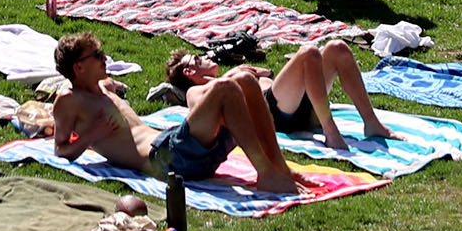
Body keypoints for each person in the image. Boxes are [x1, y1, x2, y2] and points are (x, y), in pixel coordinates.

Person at [48, 33, 305, 196]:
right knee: (225, 88)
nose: (104, 58)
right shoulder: (69, 101)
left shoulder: (103, 86)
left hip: (180, 149)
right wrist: (91, 135)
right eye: (97, 55)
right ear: (78, 67)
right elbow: (61, 150)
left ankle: (279, 167)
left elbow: (111, 84)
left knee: (244, 80)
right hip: (164, 160)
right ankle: (266, 174)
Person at [163, 41, 388, 151]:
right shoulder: (194, 91)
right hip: (274, 113)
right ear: (189, 72)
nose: (205, 57)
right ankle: (331, 133)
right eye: (197, 60)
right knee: (309, 53)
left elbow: (274, 79)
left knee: (338, 48)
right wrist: (233, 76)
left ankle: (372, 123)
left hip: (296, 103)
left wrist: (265, 73)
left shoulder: (236, 72)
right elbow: (204, 107)